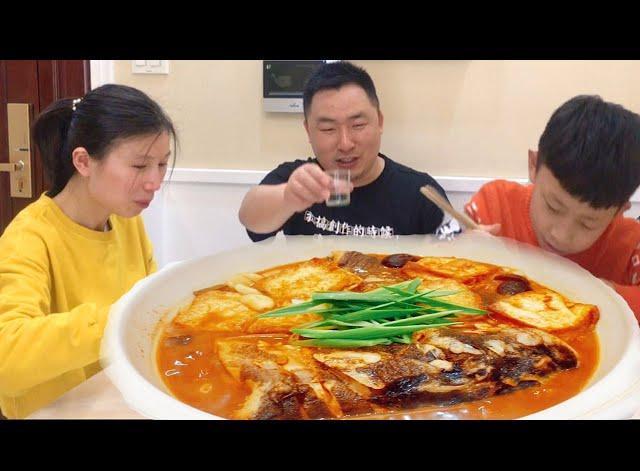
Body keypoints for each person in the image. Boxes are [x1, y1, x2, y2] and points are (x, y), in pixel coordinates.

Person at [0, 84, 177, 418]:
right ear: (83, 161)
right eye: (140, 166)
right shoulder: (30, 237)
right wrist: (118, 318)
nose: (154, 181)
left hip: (116, 401)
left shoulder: (125, 221)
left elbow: (150, 313)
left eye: (162, 165)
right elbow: (6, 358)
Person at [465, 95, 640, 322]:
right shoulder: (493, 204)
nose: (561, 235)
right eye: (553, 206)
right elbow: (436, 258)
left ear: (619, 210)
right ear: (533, 165)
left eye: (588, 223)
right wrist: (466, 251)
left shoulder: (630, 246)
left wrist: (610, 295)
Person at [239, 61, 449, 241]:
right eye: (328, 129)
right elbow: (250, 218)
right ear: (308, 131)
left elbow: (454, 258)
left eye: (357, 125)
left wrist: (473, 243)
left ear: (380, 122)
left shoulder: (421, 193)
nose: (345, 143)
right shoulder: (300, 182)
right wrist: (288, 197)